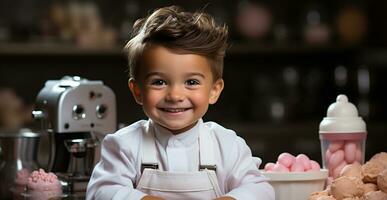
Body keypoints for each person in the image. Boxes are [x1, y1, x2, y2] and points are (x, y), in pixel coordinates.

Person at [86, 5, 274, 200]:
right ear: (138, 91)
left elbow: (260, 189)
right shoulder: (124, 145)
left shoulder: (228, 145)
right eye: (159, 82)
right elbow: (101, 191)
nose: (175, 95)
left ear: (213, 90)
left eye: (191, 82)